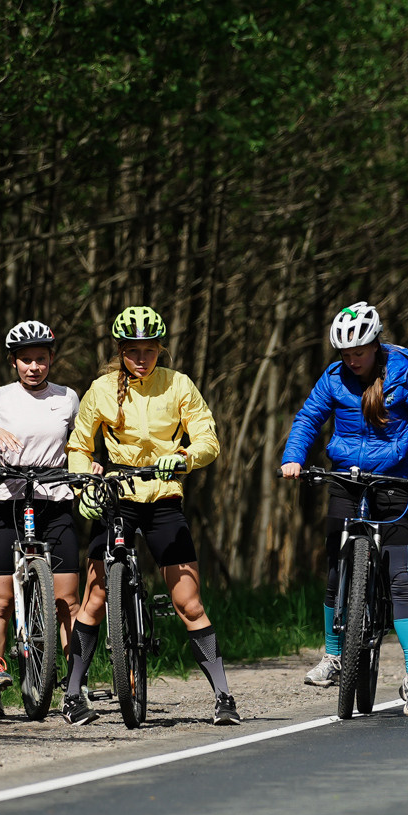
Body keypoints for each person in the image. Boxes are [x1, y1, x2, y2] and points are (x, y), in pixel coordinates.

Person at [278, 301, 408, 717]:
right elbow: (308, 419)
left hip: (395, 483)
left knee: (400, 578)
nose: (352, 360)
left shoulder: (404, 377)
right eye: (345, 354)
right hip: (346, 477)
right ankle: (335, 656)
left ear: (376, 345)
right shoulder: (333, 379)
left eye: (358, 352)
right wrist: (293, 457)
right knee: (333, 569)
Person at [62, 305, 236, 726]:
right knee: (96, 597)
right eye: (133, 350)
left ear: (161, 348)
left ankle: (224, 697)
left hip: (163, 498)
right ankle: (71, 696)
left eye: (150, 349)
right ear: (120, 351)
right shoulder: (101, 389)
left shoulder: (179, 385)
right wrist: (83, 485)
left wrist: (183, 458)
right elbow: (79, 448)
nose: (142, 358)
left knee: (188, 602)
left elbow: (208, 439)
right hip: (117, 495)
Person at [0, 321, 84, 699]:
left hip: (56, 500)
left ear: (52, 359)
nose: (34, 367)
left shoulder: (68, 397)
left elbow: (82, 443)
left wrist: (91, 464)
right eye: (26, 360)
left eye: (41, 359)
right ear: (13, 361)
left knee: (68, 601)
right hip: (10, 500)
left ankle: (75, 685)